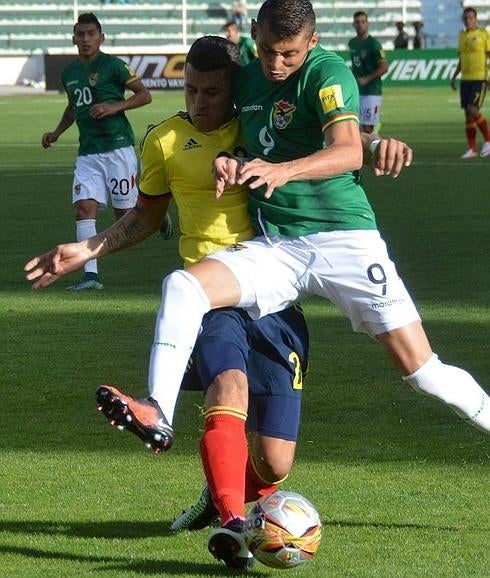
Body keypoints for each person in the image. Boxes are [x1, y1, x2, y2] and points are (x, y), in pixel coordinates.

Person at [24, 27, 415, 571]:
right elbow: (144, 218)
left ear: (237, 89)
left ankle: (220, 494)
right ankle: (233, 524)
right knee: (228, 386)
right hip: (211, 292)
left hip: (276, 290)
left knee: (275, 463)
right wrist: (88, 248)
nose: (199, 103)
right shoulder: (163, 140)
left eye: (212, 92)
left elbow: (333, 142)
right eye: (191, 90)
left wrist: (378, 144)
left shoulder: (260, 126)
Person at [41, 12, 152, 290]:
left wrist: (115, 107)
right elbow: (73, 108)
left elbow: (144, 95)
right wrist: (56, 133)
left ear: (101, 37)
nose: (86, 39)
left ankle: (156, 212)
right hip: (88, 153)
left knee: (125, 219)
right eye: (81, 34)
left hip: (118, 148)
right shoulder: (69, 73)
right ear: (73, 39)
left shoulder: (114, 66)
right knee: (83, 209)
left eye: (91, 34)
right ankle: (91, 276)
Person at [449, 7, 490, 159]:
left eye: (471, 17)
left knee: (473, 110)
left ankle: (488, 141)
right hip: (465, 79)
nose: (468, 20)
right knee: (468, 114)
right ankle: (472, 149)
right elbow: (462, 59)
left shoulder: (483, 34)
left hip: (479, 78)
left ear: (476, 19)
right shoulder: (462, 36)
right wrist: (454, 76)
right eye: (466, 18)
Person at [348, 10, 388, 133]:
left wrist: (367, 78)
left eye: (363, 22)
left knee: (368, 128)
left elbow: (384, 67)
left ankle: (376, 135)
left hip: (372, 91)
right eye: (357, 22)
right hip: (357, 91)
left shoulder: (374, 44)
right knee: (358, 128)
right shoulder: (352, 43)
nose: (360, 25)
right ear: (353, 24)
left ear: (367, 24)